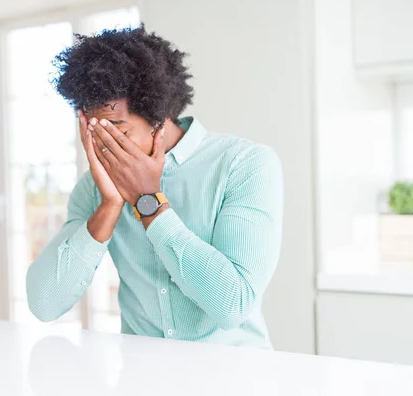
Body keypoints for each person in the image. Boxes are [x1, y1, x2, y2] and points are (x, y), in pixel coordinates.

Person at [26, 25, 283, 348]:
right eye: (93, 132)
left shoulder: (244, 165)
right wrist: (108, 207)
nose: (103, 146)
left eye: (116, 130)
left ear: (159, 120)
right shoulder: (94, 189)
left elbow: (233, 305)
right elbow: (44, 303)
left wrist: (148, 200)